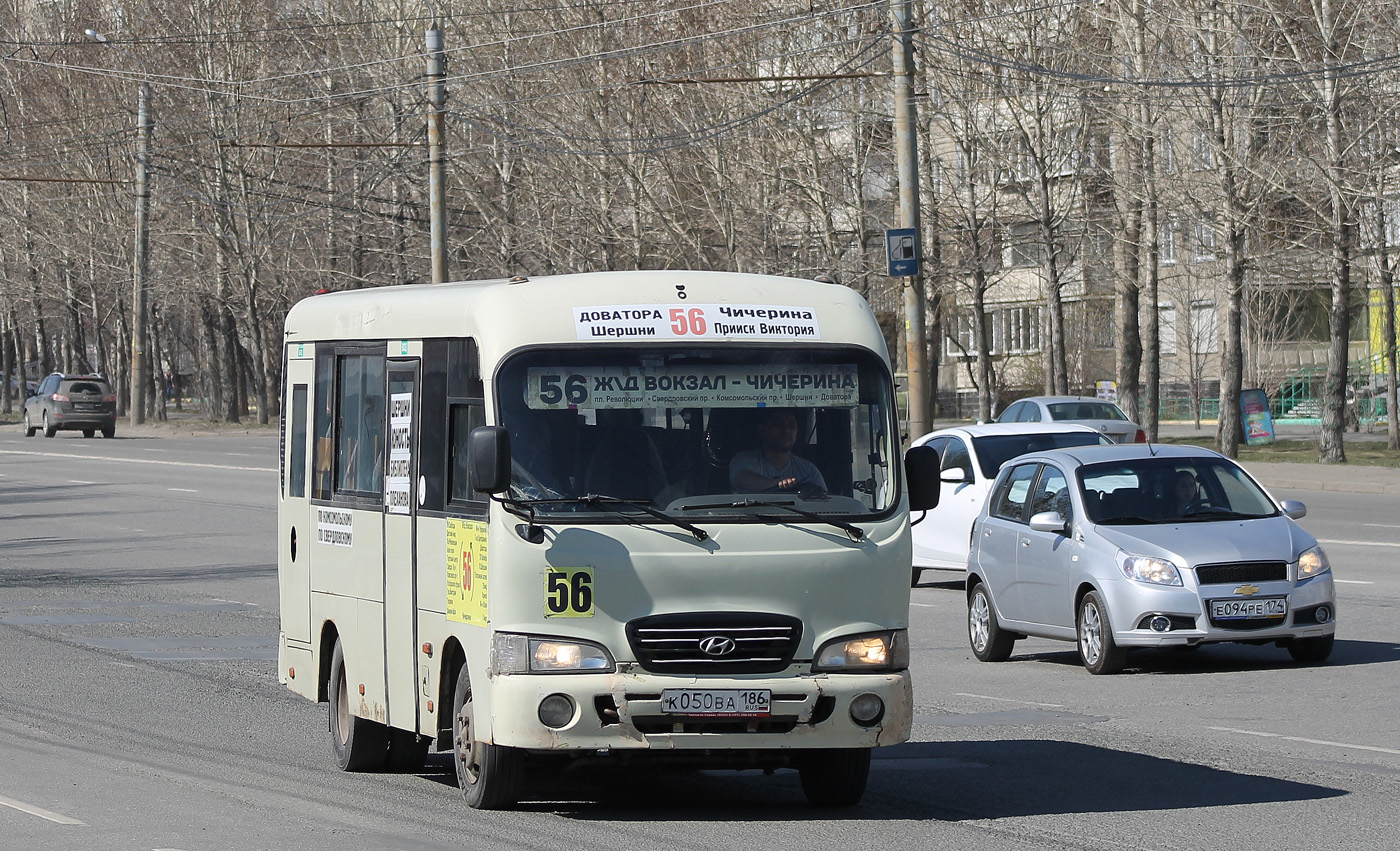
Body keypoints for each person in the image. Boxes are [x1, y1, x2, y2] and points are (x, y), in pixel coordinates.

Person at [729, 408, 827, 493]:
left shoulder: (808, 471)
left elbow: (823, 501)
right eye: (778, 424)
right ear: (762, 430)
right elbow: (744, 479)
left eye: (791, 425)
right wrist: (778, 484)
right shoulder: (743, 460)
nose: (786, 430)